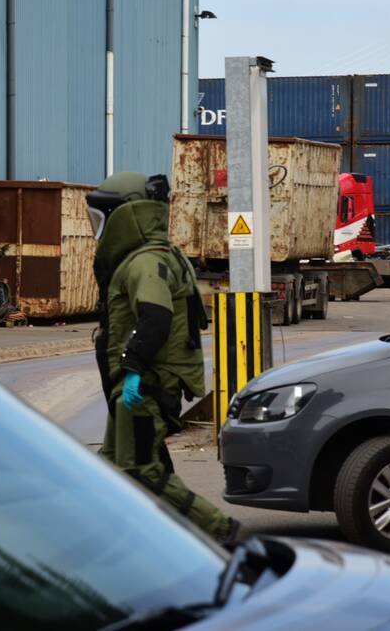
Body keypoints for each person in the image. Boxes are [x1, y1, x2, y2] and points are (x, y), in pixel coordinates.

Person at [86, 171, 240, 545]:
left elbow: (155, 316)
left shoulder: (144, 263)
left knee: (141, 469)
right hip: (140, 385)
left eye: (103, 215)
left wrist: (134, 369)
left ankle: (222, 532)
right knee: (113, 465)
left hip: (145, 387)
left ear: (128, 215)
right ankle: (127, 543)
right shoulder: (161, 255)